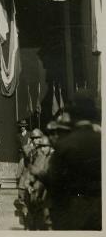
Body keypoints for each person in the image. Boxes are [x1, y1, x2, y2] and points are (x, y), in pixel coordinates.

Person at [45, 93, 101, 230]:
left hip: (71, 209)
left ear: (73, 117)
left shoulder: (65, 144)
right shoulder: (100, 141)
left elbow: (55, 182)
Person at [28, 136, 53, 230]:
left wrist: (36, 171)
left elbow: (46, 176)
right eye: (41, 147)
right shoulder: (42, 157)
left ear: (50, 146)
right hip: (41, 192)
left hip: (48, 192)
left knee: (47, 220)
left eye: (45, 146)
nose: (42, 149)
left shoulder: (51, 158)